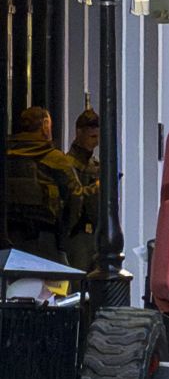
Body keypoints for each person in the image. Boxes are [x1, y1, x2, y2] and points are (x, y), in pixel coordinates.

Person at [4, 107, 84, 263]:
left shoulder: (7, 155)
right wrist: (64, 231)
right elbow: (75, 197)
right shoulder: (55, 158)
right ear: (45, 125)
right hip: (46, 239)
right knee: (57, 282)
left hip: (9, 238)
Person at [66, 108, 102, 271]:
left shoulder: (95, 165)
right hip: (76, 234)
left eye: (98, 137)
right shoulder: (68, 164)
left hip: (94, 233)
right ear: (79, 133)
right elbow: (74, 199)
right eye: (92, 137)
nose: (96, 142)